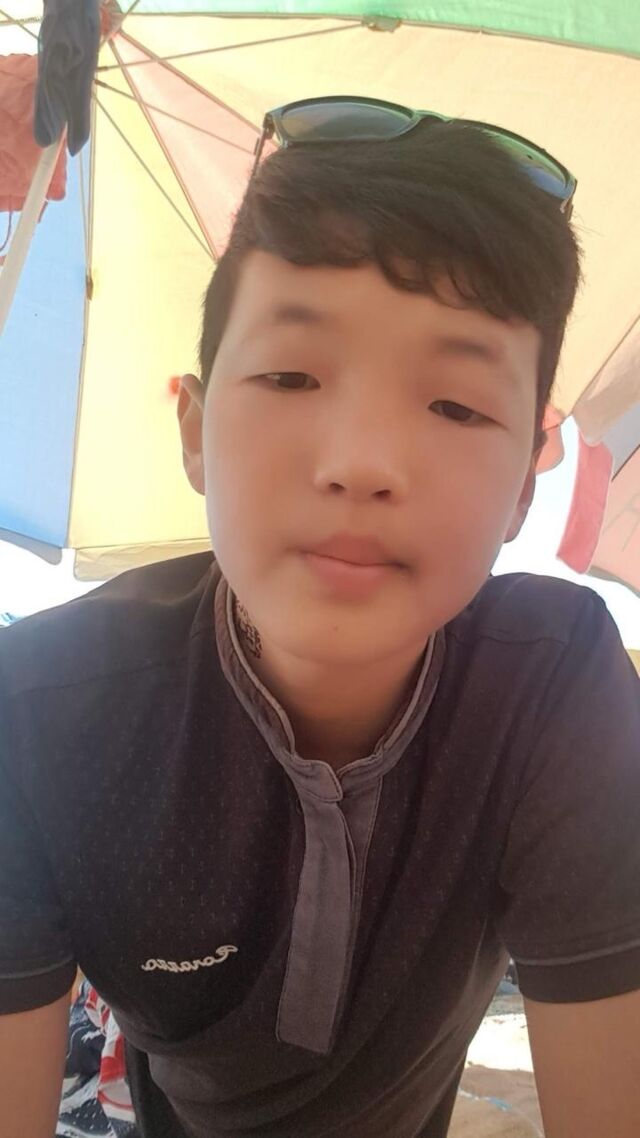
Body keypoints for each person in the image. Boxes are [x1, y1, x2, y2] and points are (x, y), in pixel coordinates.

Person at [1, 96, 639, 1138]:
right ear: (195, 429)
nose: (360, 463)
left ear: (524, 488)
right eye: (291, 374)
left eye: (456, 405)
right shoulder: (37, 715)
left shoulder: (549, 692)